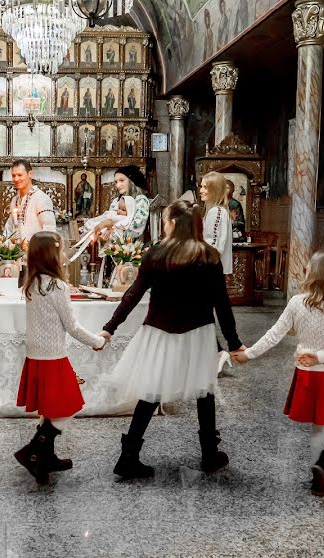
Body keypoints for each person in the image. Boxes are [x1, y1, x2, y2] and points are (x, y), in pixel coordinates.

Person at [100, 200, 244, 480]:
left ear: (174, 223)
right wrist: (233, 342)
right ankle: (209, 455)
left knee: (151, 392)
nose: (164, 225)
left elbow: (133, 294)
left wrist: (110, 327)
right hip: (198, 332)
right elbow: (221, 305)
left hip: (159, 332)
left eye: (165, 220)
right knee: (205, 392)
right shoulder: (209, 256)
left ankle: (129, 456)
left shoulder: (156, 255)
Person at [232, 250, 324, 497]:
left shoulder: (297, 303)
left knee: (318, 426)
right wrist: (323, 357)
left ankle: (317, 477)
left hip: (308, 374)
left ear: (312, 273)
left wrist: (249, 354)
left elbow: (274, 334)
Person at [14, 232, 107, 483]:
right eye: (62, 250)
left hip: (36, 354)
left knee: (48, 409)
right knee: (67, 407)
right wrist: (97, 341)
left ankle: (47, 457)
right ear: (51, 255)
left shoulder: (32, 282)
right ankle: (33, 453)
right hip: (52, 355)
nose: (65, 255)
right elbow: (72, 326)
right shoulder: (57, 286)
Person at [201, 172, 235, 372]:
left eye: (206, 187)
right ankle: (223, 349)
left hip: (209, 267)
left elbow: (213, 245)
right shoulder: (217, 211)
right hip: (211, 267)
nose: (201, 190)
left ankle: (221, 351)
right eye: (201, 186)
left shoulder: (216, 212)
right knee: (213, 309)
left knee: (204, 312)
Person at [95, 166, 150, 286]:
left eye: (121, 180)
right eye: (116, 182)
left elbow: (136, 228)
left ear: (131, 181)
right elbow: (109, 221)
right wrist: (103, 233)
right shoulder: (116, 202)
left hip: (130, 253)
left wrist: (112, 228)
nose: (117, 185)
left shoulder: (141, 201)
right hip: (112, 252)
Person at [2, 159, 56, 242]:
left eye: (20, 175)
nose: (16, 179)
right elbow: (9, 228)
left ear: (30, 174)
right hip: (17, 252)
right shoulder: (14, 200)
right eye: (13, 175)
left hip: (36, 252)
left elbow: (49, 230)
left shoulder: (41, 198)